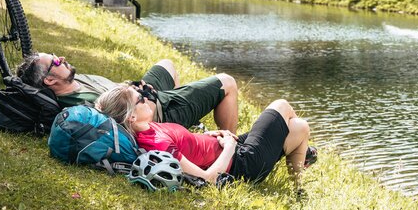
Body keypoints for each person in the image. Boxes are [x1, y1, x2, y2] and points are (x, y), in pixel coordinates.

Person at [95, 83, 316, 189]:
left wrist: (210, 136)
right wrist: (229, 145)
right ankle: (304, 157)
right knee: (282, 105)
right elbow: (205, 178)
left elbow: (185, 143)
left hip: (231, 149)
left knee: (299, 127)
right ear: (131, 117)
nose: (145, 98)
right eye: (140, 99)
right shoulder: (157, 145)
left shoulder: (150, 127)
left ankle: (297, 187)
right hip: (241, 164)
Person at [17, 52, 238, 132]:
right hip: (158, 112)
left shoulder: (75, 79)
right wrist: (145, 97)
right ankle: (231, 146)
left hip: (143, 95)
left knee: (167, 64)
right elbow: (124, 120)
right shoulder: (79, 107)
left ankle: (185, 124)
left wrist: (135, 87)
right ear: (49, 79)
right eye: (55, 61)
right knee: (227, 83)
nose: (61, 58)